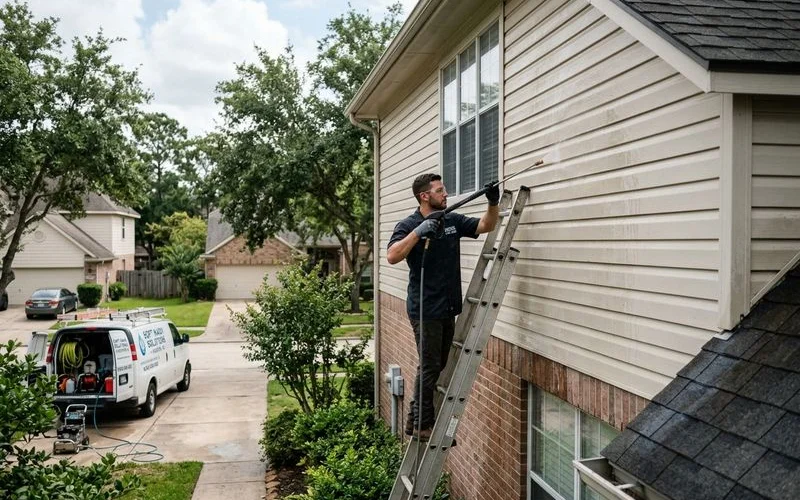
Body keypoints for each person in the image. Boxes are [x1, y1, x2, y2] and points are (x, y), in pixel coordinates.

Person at [387, 173, 500, 440]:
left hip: (449, 306)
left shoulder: (450, 219)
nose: (446, 194)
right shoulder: (409, 224)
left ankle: (415, 418)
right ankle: (423, 425)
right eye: (440, 190)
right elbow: (392, 255)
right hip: (425, 309)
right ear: (424, 196)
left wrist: (492, 203)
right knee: (428, 366)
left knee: (437, 365)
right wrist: (419, 232)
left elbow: (485, 225)